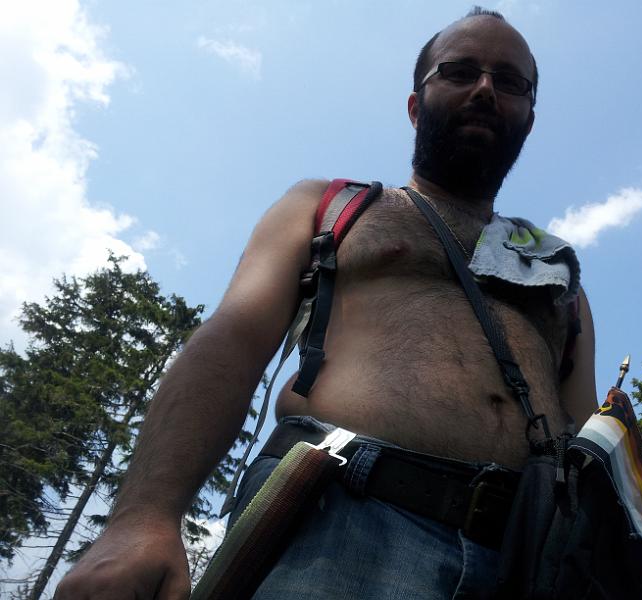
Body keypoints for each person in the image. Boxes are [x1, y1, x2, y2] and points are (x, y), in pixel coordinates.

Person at [56, 8, 602, 599]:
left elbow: (586, 438)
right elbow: (234, 339)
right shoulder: (329, 205)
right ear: (415, 105)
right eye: (460, 71)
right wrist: (144, 517)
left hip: (534, 558)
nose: (486, 89)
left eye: (510, 81)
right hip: (340, 520)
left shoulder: (557, 275)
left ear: (529, 118)